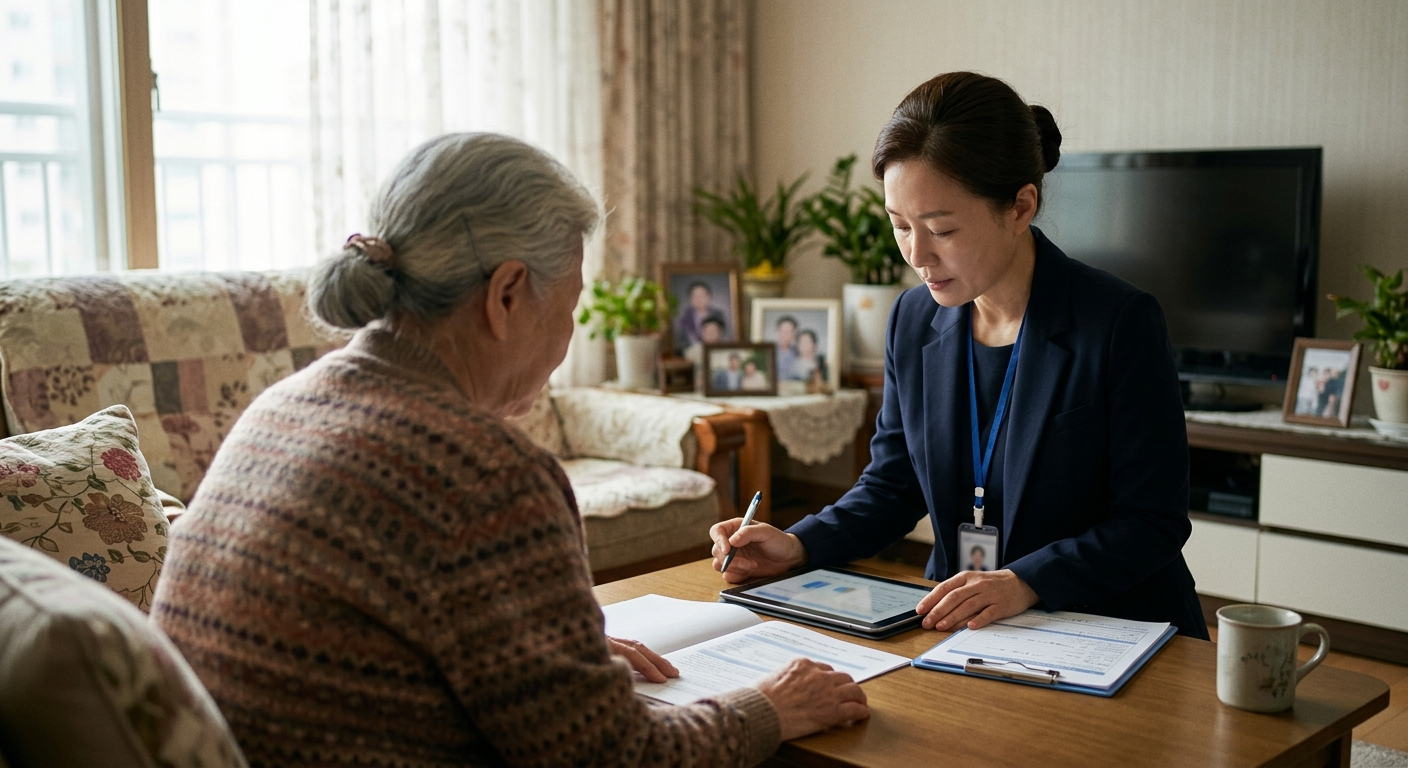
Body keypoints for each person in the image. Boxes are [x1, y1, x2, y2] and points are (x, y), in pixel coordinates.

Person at [151, 133, 868, 767]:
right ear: (507, 294)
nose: (568, 338)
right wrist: (769, 708)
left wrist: (541, 663)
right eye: (572, 307)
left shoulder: (280, 406)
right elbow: (615, 758)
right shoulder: (486, 474)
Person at [710, 72, 1209, 640]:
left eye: (941, 229)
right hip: (964, 626)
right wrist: (799, 544)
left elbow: (1151, 521)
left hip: (1107, 629)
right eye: (900, 226)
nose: (917, 255)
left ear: (1020, 207)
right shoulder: (912, 319)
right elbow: (893, 485)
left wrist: (1025, 581)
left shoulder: (1118, 322)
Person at [675, 281, 730, 354]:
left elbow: (726, 337)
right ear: (690, 299)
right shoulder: (685, 318)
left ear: (709, 297)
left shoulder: (718, 314)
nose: (699, 299)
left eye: (702, 296)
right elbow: (681, 343)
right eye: (695, 296)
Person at [774, 316, 799, 380]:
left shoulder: (799, 352)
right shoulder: (770, 352)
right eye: (783, 331)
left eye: (789, 331)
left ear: (794, 333)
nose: (786, 335)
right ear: (778, 332)